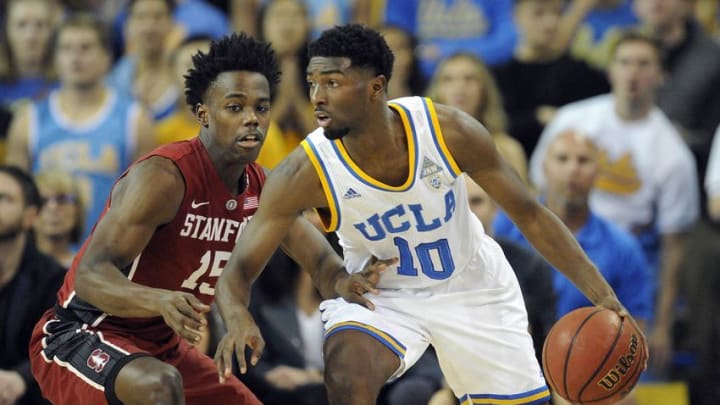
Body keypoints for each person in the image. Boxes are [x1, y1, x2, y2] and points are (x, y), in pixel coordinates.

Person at [216, 24, 643, 405]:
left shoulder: (448, 130)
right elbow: (238, 270)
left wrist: (602, 294)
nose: (318, 98)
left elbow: (530, 214)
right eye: (312, 83)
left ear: (376, 87)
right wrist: (237, 316)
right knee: (347, 369)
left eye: (332, 82)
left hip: (474, 288)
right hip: (383, 295)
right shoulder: (305, 171)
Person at [27, 32, 375, 405]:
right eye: (235, 107)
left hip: (160, 346)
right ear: (203, 113)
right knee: (158, 386)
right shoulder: (163, 177)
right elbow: (91, 275)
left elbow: (320, 261)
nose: (252, 120)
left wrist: (346, 281)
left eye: (261, 108)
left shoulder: (265, 187)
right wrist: (159, 301)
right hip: (78, 334)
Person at [529, 31, 699, 375]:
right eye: (624, 62)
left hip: (627, 258)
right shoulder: (573, 120)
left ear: (660, 75)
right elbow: (535, 190)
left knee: (625, 370)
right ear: (611, 71)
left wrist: (662, 325)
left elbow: (674, 247)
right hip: (558, 239)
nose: (632, 73)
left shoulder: (672, 153)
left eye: (643, 64)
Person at [5, 13, 156, 239]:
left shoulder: (135, 120)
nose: (75, 57)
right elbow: (12, 198)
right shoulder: (28, 120)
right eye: (66, 48)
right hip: (44, 259)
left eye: (86, 48)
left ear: (106, 57)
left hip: (110, 254)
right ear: (54, 59)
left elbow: (146, 200)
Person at [0, 165, 66, 405]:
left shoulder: (54, 281)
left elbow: (62, 345)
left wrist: (20, 378)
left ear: (30, 216)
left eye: (3, 198)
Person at [34, 170, 85, 268]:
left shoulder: (88, 270)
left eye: (62, 199)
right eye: (42, 200)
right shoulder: (13, 266)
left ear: (77, 209)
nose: (52, 207)